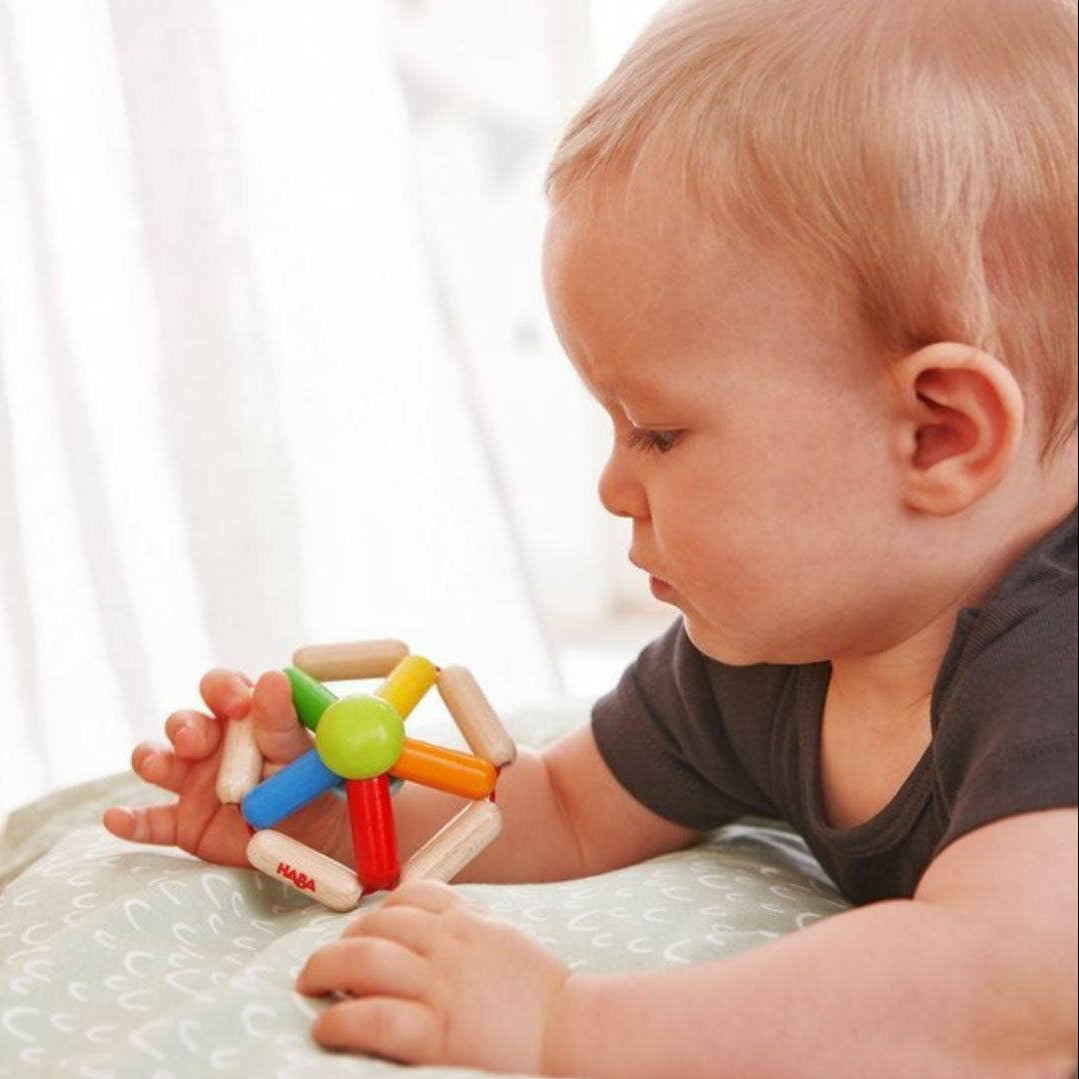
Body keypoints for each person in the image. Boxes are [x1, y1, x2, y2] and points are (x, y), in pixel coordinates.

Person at [103, 0, 1078, 1073]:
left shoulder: (1052, 668)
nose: (612, 486)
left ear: (936, 434)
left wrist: (567, 1024)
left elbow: (1002, 990)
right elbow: (563, 805)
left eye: (656, 431)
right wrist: (330, 818)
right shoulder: (769, 650)